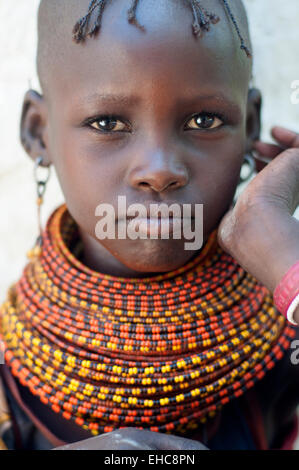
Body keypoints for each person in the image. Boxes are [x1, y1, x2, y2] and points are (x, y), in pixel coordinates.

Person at [0, 0, 299, 450]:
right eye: (107, 122)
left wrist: (288, 265)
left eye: (204, 120)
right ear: (39, 133)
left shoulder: (284, 347)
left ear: (249, 125)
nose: (160, 170)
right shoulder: (10, 377)